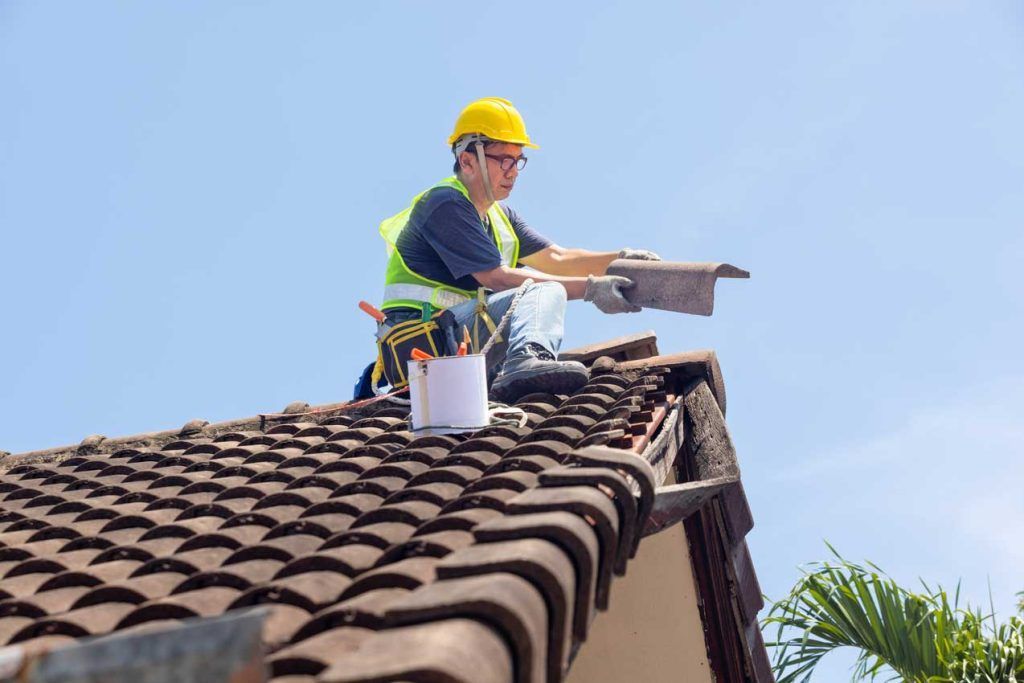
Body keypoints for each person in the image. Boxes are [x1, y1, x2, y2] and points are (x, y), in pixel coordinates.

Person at [376, 97, 660, 403]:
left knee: (540, 283)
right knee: (541, 289)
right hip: (427, 347)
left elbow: (557, 258)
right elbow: (496, 278)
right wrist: (591, 289)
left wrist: (620, 260)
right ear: (467, 160)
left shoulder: (501, 218)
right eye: (504, 160)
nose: (513, 171)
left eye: (518, 160)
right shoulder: (445, 203)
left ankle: (522, 365)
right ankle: (525, 360)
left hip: (458, 340)